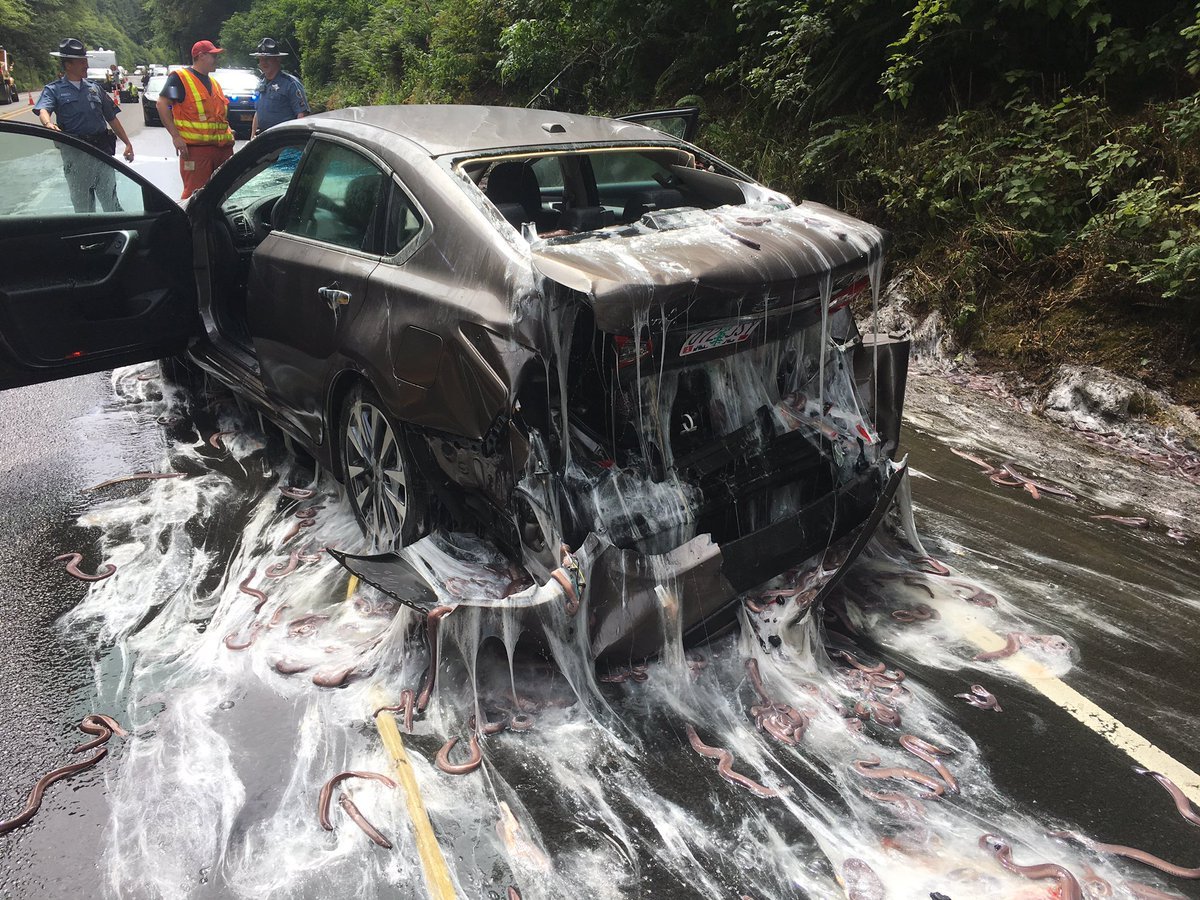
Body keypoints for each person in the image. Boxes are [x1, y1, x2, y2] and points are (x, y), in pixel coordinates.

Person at [34, 38, 135, 213]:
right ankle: (88, 240)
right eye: (82, 61)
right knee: (84, 207)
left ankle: (116, 235)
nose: (86, 65)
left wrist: (127, 143)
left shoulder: (95, 89)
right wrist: (48, 123)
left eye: (86, 60)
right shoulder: (54, 90)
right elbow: (44, 109)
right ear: (68, 65)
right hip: (76, 154)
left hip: (101, 152)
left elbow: (111, 118)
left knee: (111, 202)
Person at [157, 39, 234, 200]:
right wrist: (176, 137)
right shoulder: (180, 78)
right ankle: (189, 225)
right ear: (201, 56)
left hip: (222, 150)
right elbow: (162, 104)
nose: (216, 59)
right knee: (195, 197)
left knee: (223, 196)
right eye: (213, 55)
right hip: (196, 152)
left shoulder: (214, 84)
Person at [249, 38, 309, 139]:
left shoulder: (290, 83)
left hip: (283, 140)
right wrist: (252, 137)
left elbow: (302, 114)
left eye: (268, 59)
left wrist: (296, 141)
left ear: (278, 59)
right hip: (263, 139)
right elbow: (258, 113)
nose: (264, 62)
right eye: (261, 59)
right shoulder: (261, 83)